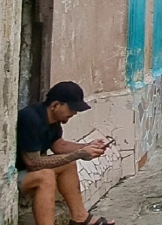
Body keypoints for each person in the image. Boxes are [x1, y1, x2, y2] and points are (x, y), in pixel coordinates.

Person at [16, 82, 116, 225]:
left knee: (68, 164)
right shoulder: (30, 118)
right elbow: (33, 162)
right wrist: (79, 153)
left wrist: (88, 146)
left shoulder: (54, 121)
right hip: (16, 175)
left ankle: (80, 218)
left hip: (28, 170)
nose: (74, 113)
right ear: (55, 105)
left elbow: (60, 146)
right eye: (72, 108)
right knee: (46, 176)